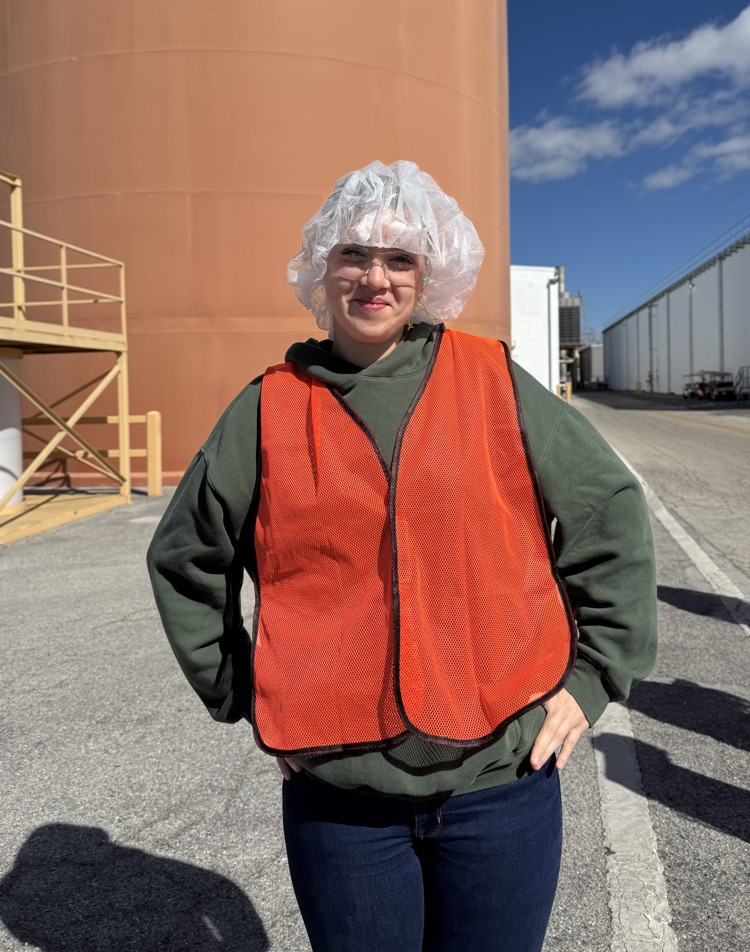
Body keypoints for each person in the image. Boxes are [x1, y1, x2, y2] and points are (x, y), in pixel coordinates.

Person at [147, 159, 657, 952]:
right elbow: (187, 557)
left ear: (432, 273)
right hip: (341, 804)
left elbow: (607, 511)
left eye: (399, 259)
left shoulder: (491, 380)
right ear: (324, 267)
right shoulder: (268, 406)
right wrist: (250, 694)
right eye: (354, 254)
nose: (373, 278)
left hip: (501, 786)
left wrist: (592, 678)